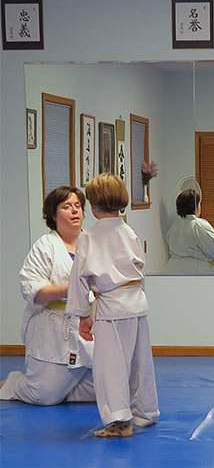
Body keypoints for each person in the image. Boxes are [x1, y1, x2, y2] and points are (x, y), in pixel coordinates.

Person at [66, 173, 159, 437]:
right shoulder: (128, 231)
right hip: (137, 304)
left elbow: (78, 279)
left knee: (110, 367)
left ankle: (119, 422)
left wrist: (82, 314)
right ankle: (146, 411)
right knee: (141, 362)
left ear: (92, 206)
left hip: (111, 309)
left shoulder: (89, 237)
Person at [0, 186, 94, 405]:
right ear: (53, 215)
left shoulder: (92, 244)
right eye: (67, 206)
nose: (74, 211)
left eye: (78, 206)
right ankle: (15, 383)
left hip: (87, 328)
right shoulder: (46, 246)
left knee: (106, 392)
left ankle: (60, 388)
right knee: (44, 397)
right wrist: (72, 288)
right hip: (52, 330)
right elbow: (33, 290)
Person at [165, 189, 214, 273]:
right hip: (197, 274)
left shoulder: (174, 227)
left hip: (171, 272)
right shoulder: (199, 225)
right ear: (196, 206)